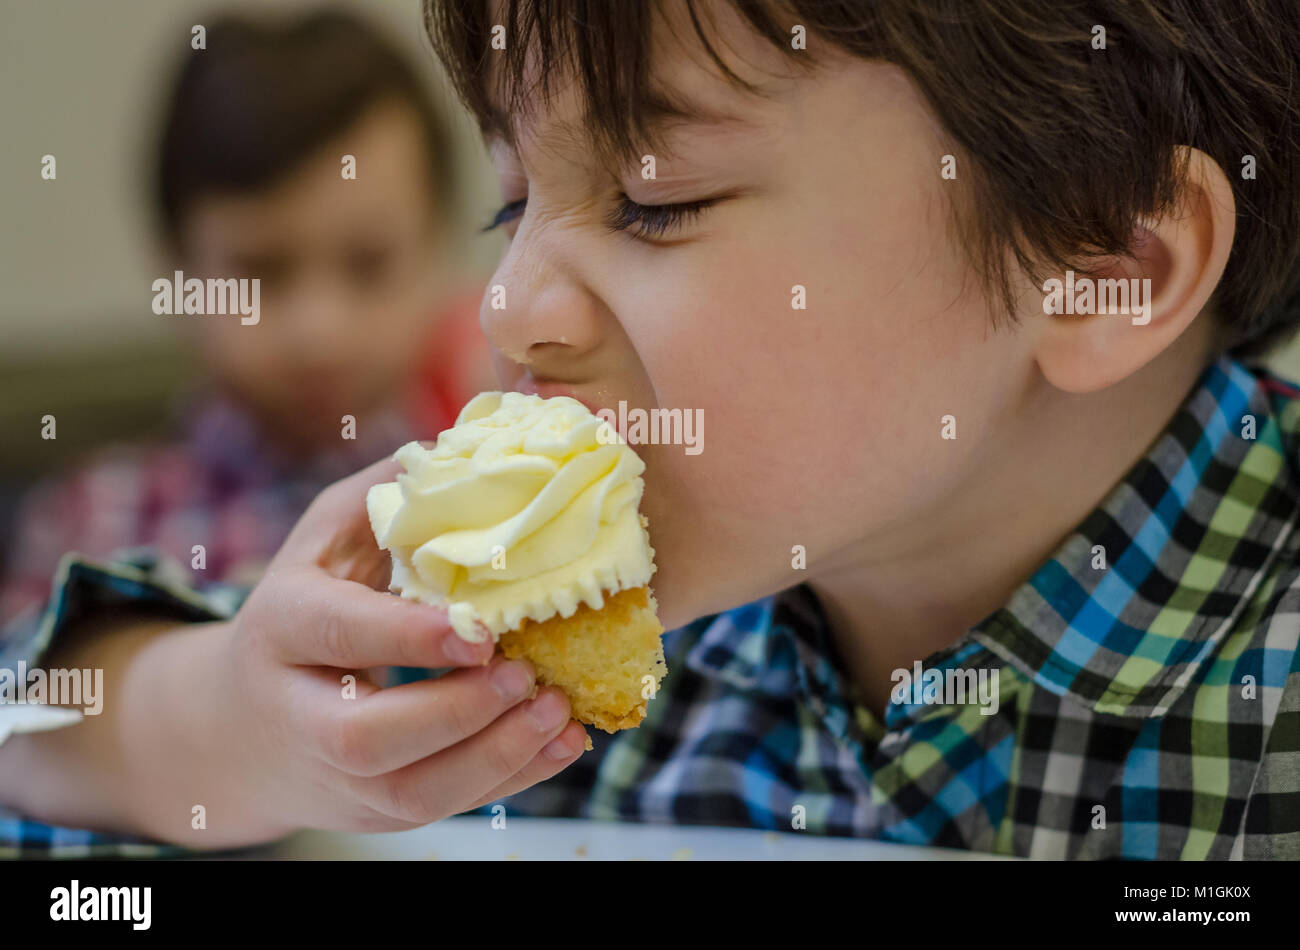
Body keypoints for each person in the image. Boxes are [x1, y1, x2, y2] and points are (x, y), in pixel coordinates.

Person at [4, 0, 1300, 860]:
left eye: (654, 200)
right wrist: (225, 720)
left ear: (1109, 264)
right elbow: (30, 727)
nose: (509, 308)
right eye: (511, 208)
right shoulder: (543, 668)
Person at [0, 8, 491, 626]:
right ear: (178, 267)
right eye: (261, 273)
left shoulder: (496, 500)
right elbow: (20, 712)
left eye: (369, 265)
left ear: (440, 247)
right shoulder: (94, 523)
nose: (319, 331)